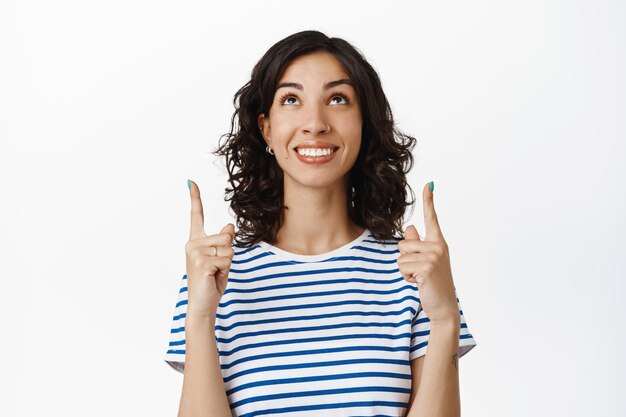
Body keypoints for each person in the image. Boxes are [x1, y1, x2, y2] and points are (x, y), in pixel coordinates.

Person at [164, 30, 477, 417]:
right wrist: (199, 318)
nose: (315, 123)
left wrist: (445, 320)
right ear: (266, 128)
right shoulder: (214, 278)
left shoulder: (415, 273)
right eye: (291, 99)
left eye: (337, 99)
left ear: (364, 124)